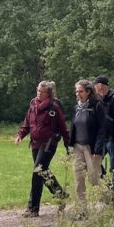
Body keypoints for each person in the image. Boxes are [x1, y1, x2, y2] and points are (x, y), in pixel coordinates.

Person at [14, 80, 70, 217]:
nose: (39, 93)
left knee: (37, 172)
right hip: (35, 144)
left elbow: (63, 128)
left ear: (48, 93)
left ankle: (33, 208)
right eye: (38, 90)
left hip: (49, 143)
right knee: (43, 172)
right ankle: (60, 195)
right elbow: (27, 123)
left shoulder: (54, 107)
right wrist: (20, 135)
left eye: (42, 92)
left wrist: (68, 146)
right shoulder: (33, 104)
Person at [69, 79, 106, 211]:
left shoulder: (97, 106)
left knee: (94, 179)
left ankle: (109, 199)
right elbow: (73, 127)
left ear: (88, 92)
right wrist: (70, 146)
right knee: (79, 179)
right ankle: (82, 210)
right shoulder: (76, 108)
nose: (78, 94)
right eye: (76, 92)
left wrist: (98, 149)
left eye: (81, 91)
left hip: (91, 148)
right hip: (77, 147)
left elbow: (102, 129)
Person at [93, 75, 114, 194]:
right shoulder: (98, 100)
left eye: (95, 86)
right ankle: (107, 184)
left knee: (113, 165)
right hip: (102, 139)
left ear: (100, 86)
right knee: (95, 162)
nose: (94, 88)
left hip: (113, 138)